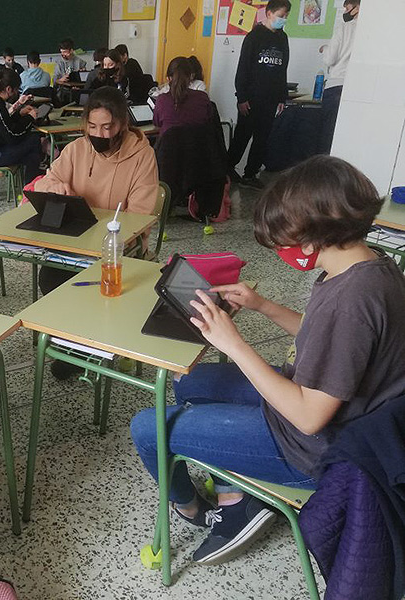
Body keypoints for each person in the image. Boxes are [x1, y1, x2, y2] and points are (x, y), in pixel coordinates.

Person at [131, 155, 405, 565]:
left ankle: (195, 509)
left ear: (313, 237)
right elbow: (329, 341)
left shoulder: (351, 301)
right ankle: (237, 493)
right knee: (189, 382)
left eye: (287, 236)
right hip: (326, 409)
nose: (284, 247)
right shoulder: (367, 267)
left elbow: (310, 417)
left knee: (146, 428)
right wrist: (264, 305)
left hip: (316, 447)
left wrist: (235, 344)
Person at [35, 86, 158, 380]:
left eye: (107, 127)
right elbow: (42, 183)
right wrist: (56, 187)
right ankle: (76, 340)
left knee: (92, 284)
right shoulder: (76, 149)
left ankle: (84, 346)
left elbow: (139, 218)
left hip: (120, 248)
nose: (99, 134)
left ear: (122, 124)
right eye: (92, 126)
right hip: (77, 241)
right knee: (50, 275)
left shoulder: (142, 156)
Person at [227, 0, 291, 189]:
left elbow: (283, 69)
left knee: (262, 138)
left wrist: (282, 97)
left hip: (271, 99)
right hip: (251, 98)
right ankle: (228, 168)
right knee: (242, 136)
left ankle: (250, 174)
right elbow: (243, 69)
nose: (284, 19)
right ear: (269, 13)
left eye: (286, 16)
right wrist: (242, 97)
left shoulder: (283, 38)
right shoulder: (254, 37)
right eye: (281, 15)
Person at [0, 67, 42, 183]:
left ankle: (29, 187)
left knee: (32, 156)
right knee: (34, 139)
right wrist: (30, 118)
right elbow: (12, 135)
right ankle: (31, 185)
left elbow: (4, 124)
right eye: (16, 90)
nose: (17, 93)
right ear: (9, 89)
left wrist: (19, 114)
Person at [318, 0, 360, 154]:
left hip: (336, 86)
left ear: (357, 8)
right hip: (357, 90)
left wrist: (326, 48)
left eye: (348, 8)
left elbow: (330, 59)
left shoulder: (344, 28)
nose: (345, 12)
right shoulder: (373, 34)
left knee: (327, 137)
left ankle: (323, 175)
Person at [153, 57, 212, 136]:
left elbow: (157, 123)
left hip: (168, 146)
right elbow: (208, 120)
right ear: (191, 76)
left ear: (169, 78)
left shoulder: (162, 100)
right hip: (198, 146)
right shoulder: (202, 97)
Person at [54, 38, 87, 104]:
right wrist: (61, 79)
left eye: (65, 52)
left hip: (77, 88)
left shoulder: (80, 62)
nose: (63, 54)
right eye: (61, 52)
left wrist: (82, 73)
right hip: (64, 89)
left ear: (71, 51)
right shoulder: (59, 62)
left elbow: (84, 79)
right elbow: (55, 81)